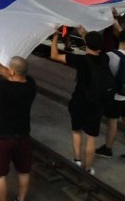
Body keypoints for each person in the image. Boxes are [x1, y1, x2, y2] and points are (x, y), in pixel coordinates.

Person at [0, 46, 36, 201]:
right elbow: (10, 75)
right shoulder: (31, 85)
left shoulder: (4, 87)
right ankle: (21, 199)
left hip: (4, 136)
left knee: (0, 174)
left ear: (13, 72)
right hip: (23, 135)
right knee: (24, 170)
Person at [51, 26, 108, 174]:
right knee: (91, 137)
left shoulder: (80, 60)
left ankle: (77, 160)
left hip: (80, 100)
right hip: (97, 102)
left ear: (87, 44)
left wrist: (55, 37)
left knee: (77, 131)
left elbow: (54, 56)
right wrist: (86, 35)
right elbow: (93, 47)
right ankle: (88, 169)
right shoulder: (105, 58)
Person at [95, 29, 125, 165]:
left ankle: (107, 149)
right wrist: (117, 24)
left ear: (117, 39)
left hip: (117, 96)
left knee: (112, 122)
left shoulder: (111, 56)